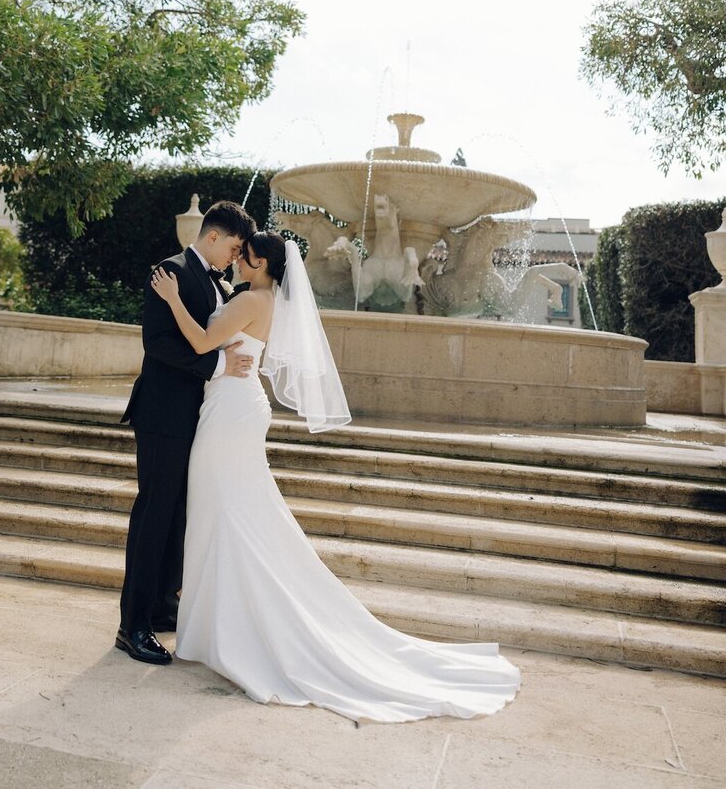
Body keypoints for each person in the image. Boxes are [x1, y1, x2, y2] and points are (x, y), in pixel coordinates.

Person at [149, 231, 521, 723]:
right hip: (235, 408)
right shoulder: (259, 297)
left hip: (230, 415)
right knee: (231, 513)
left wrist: (173, 298)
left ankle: (228, 628)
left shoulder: (250, 300)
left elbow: (199, 341)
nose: (237, 260)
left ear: (260, 262)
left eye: (244, 255)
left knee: (225, 514)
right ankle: (220, 622)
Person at [116, 200, 257, 665]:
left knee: (177, 513)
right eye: (233, 248)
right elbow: (156, 344)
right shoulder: (170, 271)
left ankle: (160, 605)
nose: (235, 259)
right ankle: (132, 625)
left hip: (194, 416)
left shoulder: (215, 281)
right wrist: (219, 364)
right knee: (154, 514)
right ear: (212, 236)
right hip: (163, 414)